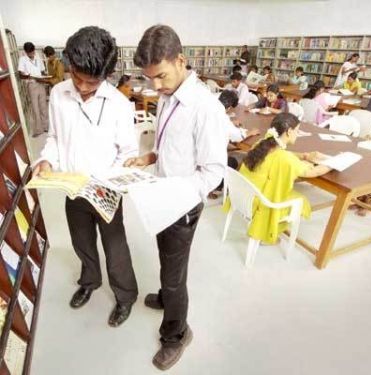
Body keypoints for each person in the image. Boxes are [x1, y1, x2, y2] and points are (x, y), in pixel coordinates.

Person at [125, 24, 227, 371]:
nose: (155, 86)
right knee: (165, 259)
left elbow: (213, 172)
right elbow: (167, 144)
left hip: (180, 204)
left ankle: (176, 333)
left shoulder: (206, 107)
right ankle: (168, 299)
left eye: (160, 76)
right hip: (163, 198)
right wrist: (148, 158)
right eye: (149, 78)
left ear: (181, 60)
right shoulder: (169, 95)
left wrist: (174, 192)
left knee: (174, 274)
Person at [33, 26, 138, 327]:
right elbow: (54, 138)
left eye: (90, 82)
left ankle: (125, 296)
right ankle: (89, 282)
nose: (80, 86)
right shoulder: (58, 93)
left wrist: (112, 181)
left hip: (105, 192)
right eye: (76, 77)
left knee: (115, 247)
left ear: (106, 75)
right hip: (72, 187)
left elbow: (128, 153)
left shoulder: (118, 104)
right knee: (82, 242)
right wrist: (46, 160)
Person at [227, 113, 331, 244]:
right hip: (260, 203)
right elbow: (313, 172)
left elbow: (282, 154)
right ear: (289, 131)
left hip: (243, 196)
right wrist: (333, 164)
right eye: (297, 131)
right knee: (301, 200)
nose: (297, 134)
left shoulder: (262, 144)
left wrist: (304, 156)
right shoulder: (285, 159)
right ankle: (268, 232)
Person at [18, 42, 48, 137]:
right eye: (30, 53)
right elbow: (21, 75)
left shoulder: (37, 56)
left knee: (43, 106)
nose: (32, 54)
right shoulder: (22, 59)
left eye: (33, 52)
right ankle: (38, 130)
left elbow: (42, 70)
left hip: (40, 83)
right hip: (32, 84)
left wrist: (45, 77)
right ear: (26, 52)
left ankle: (46, 126)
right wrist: (30, 76)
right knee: (35, 108)